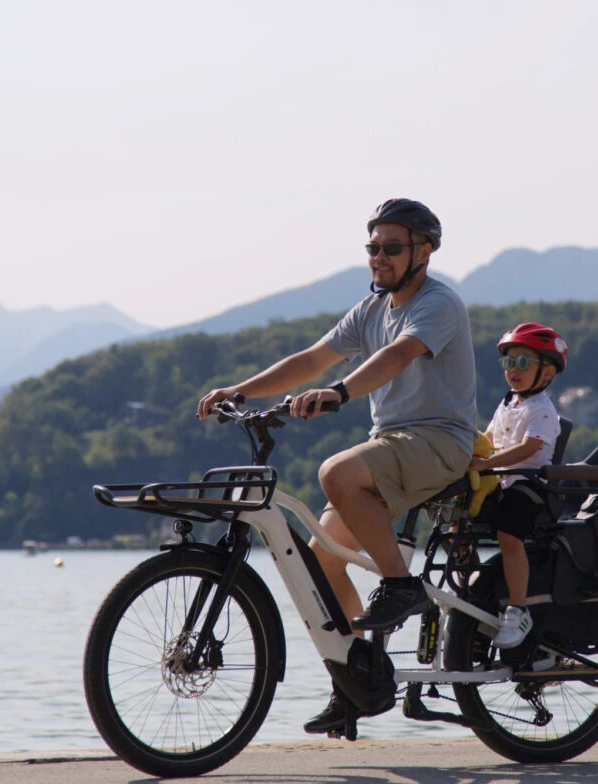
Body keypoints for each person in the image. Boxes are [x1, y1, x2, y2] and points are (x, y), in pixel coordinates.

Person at [197, 198, 478, 731]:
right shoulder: (371, 308)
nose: (379, 257)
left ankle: (402, 586)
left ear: (425, 250)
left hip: (440, 441)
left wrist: (340, 392)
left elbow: (395, 357)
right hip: (393, 444)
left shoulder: (438, 304)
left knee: (336, 471)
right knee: (320, 565)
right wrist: (240, 388)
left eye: (391, 248)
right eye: (372, 248)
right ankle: (355, 684)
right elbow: (311, 359)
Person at [468, 322, 568, 649]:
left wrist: (487, 464)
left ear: (548, 372)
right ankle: (469, 586)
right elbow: (491, 438)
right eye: (508, 363)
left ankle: (519, 608)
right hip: (503, 480)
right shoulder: (509, 402)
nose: (513, 370)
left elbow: (528, 448)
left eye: (523, 363)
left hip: (531, 484)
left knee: (509, 535)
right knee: (459, 512)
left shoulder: (542, 409)